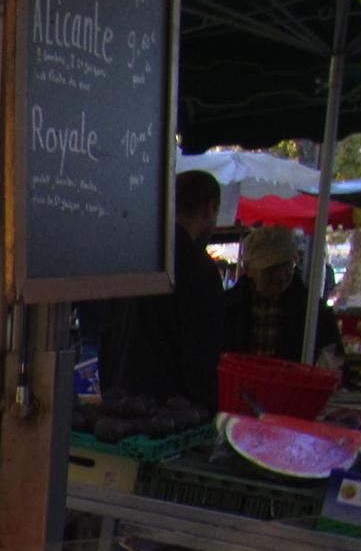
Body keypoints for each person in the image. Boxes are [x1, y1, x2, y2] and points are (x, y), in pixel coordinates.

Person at [98, 169, 225, 408]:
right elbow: (202, 355)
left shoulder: (131, 256)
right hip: (169, 416)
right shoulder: (199, 268)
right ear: (210, 207)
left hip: (118, 405)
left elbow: (107, 333)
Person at [224, 225, 343, 369]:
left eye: (287, 265)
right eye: (271, 268)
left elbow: (336, 360)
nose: (280, 276)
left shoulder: (313, 310)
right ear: (248, 269)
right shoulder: (226, 307)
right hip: (237, 388)